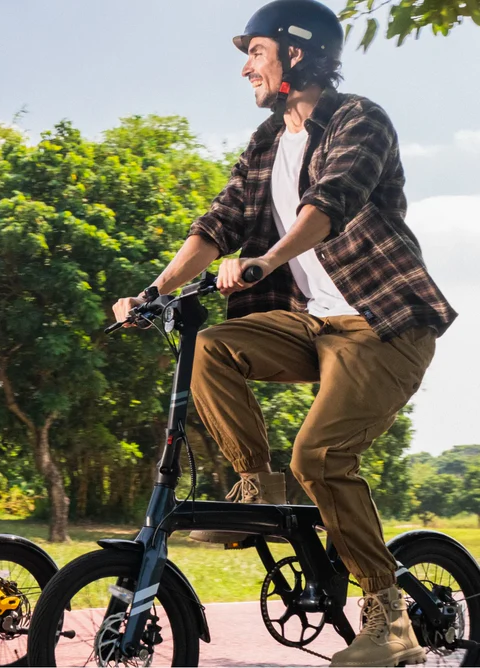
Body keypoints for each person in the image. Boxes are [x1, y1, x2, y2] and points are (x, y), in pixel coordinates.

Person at [112, 1, 456, 665]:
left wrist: (267, 259)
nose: (246, 67)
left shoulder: (360, 119)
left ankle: (391, 621)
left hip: (383, 324)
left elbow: (330, 202)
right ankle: (255, 485)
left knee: (321, 457)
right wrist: (151, 295)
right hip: (312, 323)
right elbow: (217, 223)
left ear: (296, 55)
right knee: (212, 347)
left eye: (257, 53)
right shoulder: (270, 140)